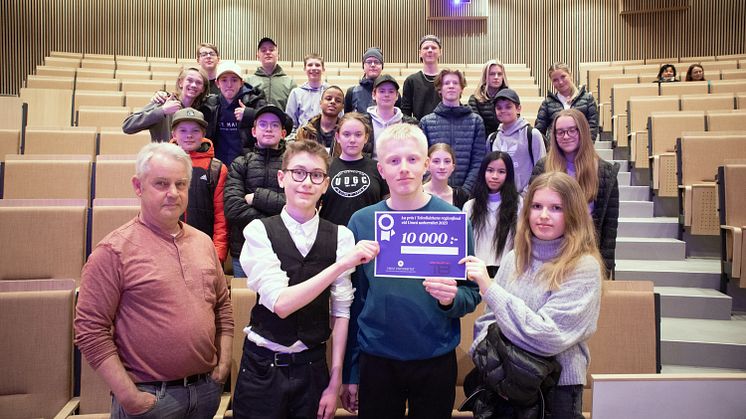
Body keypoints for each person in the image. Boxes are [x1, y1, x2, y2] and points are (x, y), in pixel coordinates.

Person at [75, 142, 233, 419]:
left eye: (181, 184)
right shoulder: (113, 251)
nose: (173, 193)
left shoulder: (204, 242)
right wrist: (129, 397)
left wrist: (222, 368)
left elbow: (223, 307)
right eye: (161, 184)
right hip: (151, 400)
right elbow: (90, 330)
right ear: (138, 187)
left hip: (205, 393)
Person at [342, 123, 481, 419]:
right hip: (376, 359)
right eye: (394, 161)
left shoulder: (454, 221)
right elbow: (354, 303)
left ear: (427, 164)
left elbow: (470, 295)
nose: (403, 168)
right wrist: (351, 372)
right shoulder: (362, 222)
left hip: (435, 359)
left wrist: (451, 298)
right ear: (381, 169)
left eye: (412, 159)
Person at [232, 139, 380, 419]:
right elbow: (281, 303)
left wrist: (335, 380)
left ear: (325, 184)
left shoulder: (341, 236)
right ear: (282, 177)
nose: (306, 182)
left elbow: (341, 311)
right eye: (298, 172)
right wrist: (343, 265)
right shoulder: (258, 231)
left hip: (313, 368)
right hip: (262, 370)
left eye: (316, 175)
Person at [463, 171, 604, 418]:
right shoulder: (514, 258)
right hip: (502, 384)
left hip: (557, 388)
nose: (544, 216)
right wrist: (491, 365)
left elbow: (548, 336)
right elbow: (487, 321)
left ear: (573, 213)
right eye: (537, 206)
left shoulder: (584, 267)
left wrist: (491, 289)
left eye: (556, 208)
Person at [530, 108, 619, 275]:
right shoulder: (543, 167)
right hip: (548, 253)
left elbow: (609, 229)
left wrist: (605, 270)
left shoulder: (605, 172)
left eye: (572, 130)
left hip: (585, 253)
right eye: (560, 132)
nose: (566, 136)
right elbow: (530, 211)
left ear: (583, 131)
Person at [224, 105, 289, 278]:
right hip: (245, 249)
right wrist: (274, 220)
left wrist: (257, 198)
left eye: (275, 125)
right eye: (263, 124)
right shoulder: (240, 163)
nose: (268, 129)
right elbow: (233, 209)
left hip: (284, 249)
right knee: (244, 302)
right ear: (253, 131)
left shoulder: (292, 165)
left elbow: (296, 205)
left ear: (283, 133)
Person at [170, 107, 229, 263]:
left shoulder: (216, 168)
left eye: (195, 131)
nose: (189, 135)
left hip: (204, 251)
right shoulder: (162, 165)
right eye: (183, 130)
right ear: (174, 134)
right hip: (168, 250)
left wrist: (218, 254)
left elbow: (221, 216)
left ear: (203, 134)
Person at [419, 69, 486, 195]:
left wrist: (465, 191)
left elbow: (478, 160)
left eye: (455, 83)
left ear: (462, 88)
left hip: (466, 194)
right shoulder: (426, 122)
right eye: (447, 83)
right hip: (433, 193)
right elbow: (423, 160)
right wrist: (434, 187)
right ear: (440, 89)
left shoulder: (476, 122)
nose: (451, 86)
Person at [320, 112, 388, 226]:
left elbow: (388, 206)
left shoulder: (378, 168)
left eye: (358, 134)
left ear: (366, 138)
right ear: (337, 137)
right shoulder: (324, 168)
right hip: (332, 235)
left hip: (368, 235)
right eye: (346, 134)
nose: (352, 140)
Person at [462, 151, 521, 278]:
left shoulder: (519, 204)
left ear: (508, 175)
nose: (494, 176)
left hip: (507, 273)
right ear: (483, 172)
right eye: (490, 170)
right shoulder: (470, 206)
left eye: (501, 172)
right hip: (477, 272)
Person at [203, 61, 266, 166]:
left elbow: (285, 122)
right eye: (224, 80)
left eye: (234, 80)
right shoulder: (210, 104)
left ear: (241, 82)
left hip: (247, 166)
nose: (229, 85)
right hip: (218, 166)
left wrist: (250, 115)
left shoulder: (254, 100)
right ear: (217, 83)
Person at [122, 67, 209, 142]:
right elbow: (128, 126)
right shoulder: (163, 101)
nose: (193, 85)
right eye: (189, 80)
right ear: (180, 83)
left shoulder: (201, 110)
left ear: (202, 89)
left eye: (198, 82)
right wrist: (162, 111)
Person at [489, 88, 546, 194]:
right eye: (499, 107)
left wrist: (526, 196)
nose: (503, 110)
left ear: (518, 108)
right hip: (500, 199)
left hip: (526, 199)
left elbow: (542, 170)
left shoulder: (532, 134)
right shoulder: (492, 139)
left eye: (508, 107)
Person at [534, 62, 599, 141]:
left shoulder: (588, 99)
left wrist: (585, 149)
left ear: (570, 75)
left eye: (563, 77)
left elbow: (592, 128)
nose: (560, 82)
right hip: (556, 151)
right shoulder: (547, 103)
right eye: (555, 80)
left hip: (582, 150)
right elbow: (539, 132)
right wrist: (549, 149)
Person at [365, 74, 417, 158]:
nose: (386, 95)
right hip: (370, 169)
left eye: (391, 91)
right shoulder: (363, 122)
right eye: (382, 91)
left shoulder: (410, 124)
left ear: (397, 96)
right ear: (374, 94)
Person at [247, 37, 297, 110]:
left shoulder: (290, 83)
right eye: (263, 50)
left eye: (271, 50)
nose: (268, 52)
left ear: (278, 55)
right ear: (257, 56)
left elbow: (293, 111)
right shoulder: (249, 82)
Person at [401, 34, 443, 120]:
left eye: (434, 48)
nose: (430, 50)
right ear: (420, 53)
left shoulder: (446, 80)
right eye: (426, 48)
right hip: (419, 129)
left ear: (440, 52)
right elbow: (405, 113)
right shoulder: (411, 81)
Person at [285, 53, 328, 132]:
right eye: (310, 65)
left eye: (317, 65)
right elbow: (290, 124)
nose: (314, 68)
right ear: (305, 69)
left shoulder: (330, 93)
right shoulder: (296, 93)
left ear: (323, 69)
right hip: (302, 140)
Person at [295, 85, 345, 152]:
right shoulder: (305, 132)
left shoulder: (346, 133)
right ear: (320, 103)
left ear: (342, 107)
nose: (333, 102)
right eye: (328, 99)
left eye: (338, 101)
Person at [468, 59, 510, 136]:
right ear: (485, 76)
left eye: (499, 74)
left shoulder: (510, 98)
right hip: (483, 142)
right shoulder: (474, 99)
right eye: (492, 74)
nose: (496, 77)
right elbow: (475, 126)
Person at [423, 143, 470, 209]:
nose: (442, 167)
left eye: (447, 161)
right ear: (427, 165)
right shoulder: (415, 193)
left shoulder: (461, 196)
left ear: (453, 167)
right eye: (436, 161)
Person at [345, 47, 385, 113]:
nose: (372, 65)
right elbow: (346, 118)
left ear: (382, 66)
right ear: (363, 66)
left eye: (377, 62)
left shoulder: (390, 92)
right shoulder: (352, 92)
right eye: (369, 62)